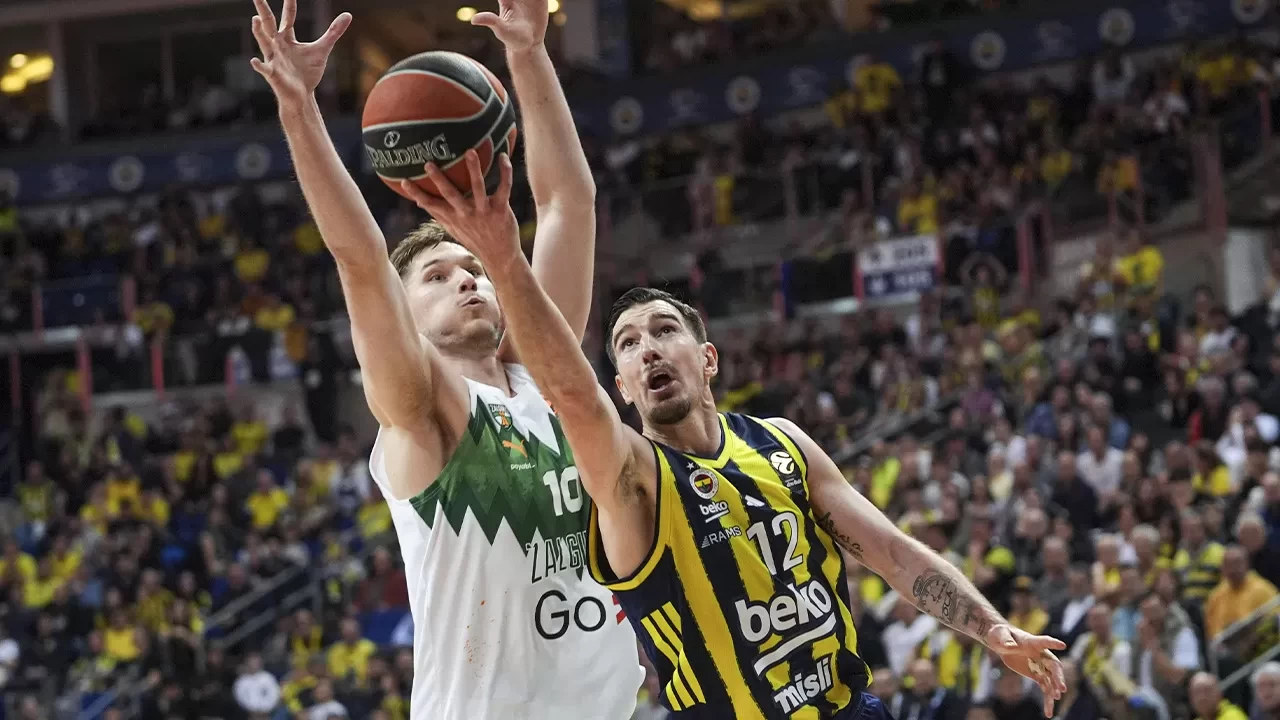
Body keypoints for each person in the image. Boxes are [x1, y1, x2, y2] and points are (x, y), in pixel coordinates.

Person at [414, 132, 1069, 719]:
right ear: (623, 388)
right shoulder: (633, 477)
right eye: (627, 345)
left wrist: (990, 629)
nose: (648, 350)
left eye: (664, 331)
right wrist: (503, 258)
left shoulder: (782, 442)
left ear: (708, 359)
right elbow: (571, 394)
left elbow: (891, 552)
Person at [248, 0, 642, 718]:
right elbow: (360, 260)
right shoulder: (423, 412)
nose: (468, 280)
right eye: (437, 276)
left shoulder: (547, 377)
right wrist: (300, 111)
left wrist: (529, 54)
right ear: (406, 318)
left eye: (475, 269)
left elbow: (567, 203)